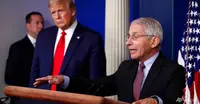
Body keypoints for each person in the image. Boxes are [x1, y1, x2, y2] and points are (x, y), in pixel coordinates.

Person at [34, 17, 186, 104]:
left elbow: (175, 101)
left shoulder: (173, 70)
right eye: (128, 36)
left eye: (135, 36)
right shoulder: (126, 67)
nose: (128, 42)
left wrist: (155, 101)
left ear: (154, 41)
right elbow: (97, 86)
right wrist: (65, 80)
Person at [29, 0, 106, 91]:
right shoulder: (43, 36)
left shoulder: (92, 38)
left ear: (73, 11)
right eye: (53, 12)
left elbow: (96, 82)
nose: (57, 16)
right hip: (44, 98)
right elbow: (34, 73)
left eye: (60, 11)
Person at [4, 11, 44, 104]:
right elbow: (9, 77)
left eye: (42, 22)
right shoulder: (17, 48)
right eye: (37, 23)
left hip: (44, 98)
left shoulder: (48, 47)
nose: (41, 26)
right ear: (28, 25)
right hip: (23, 99)